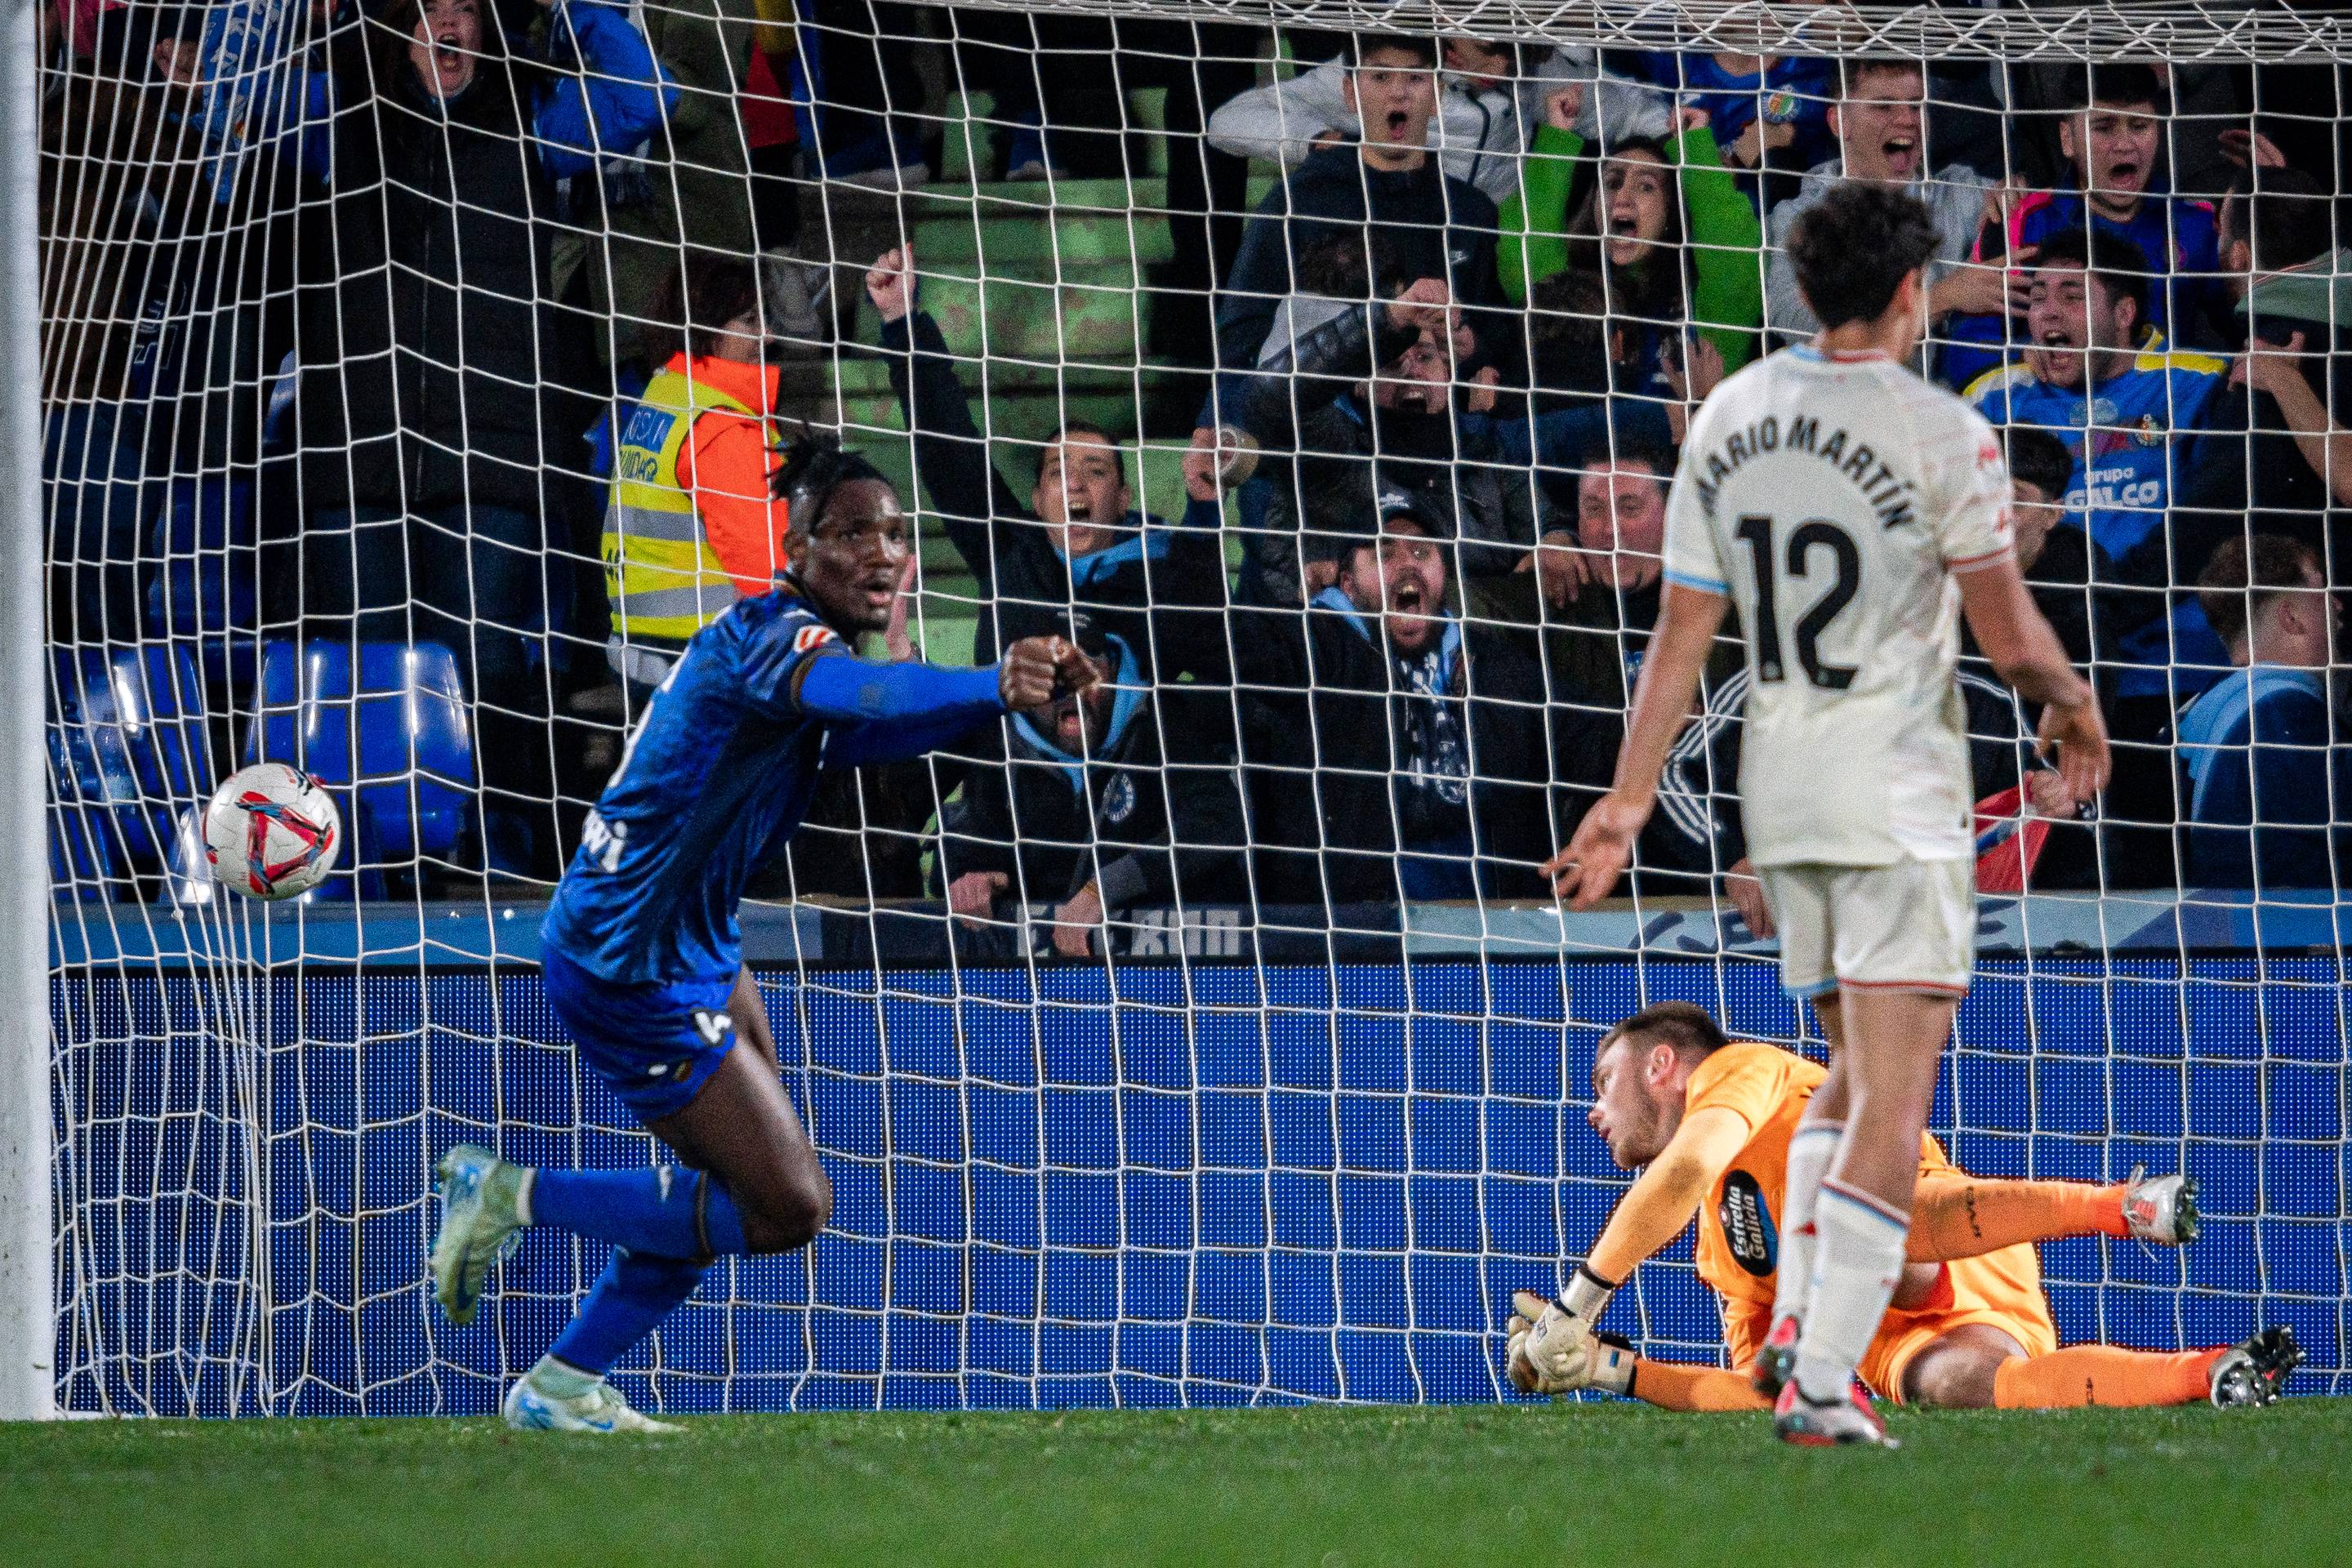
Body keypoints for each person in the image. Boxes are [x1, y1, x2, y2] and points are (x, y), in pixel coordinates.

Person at [1537, 184, 2109, 1447]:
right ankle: (1817, 1371)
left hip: (1778, 784)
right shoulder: (1943, 428)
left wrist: (1626, 809)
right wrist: (2069, 701)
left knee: (1847, 1073)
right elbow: (2008, 631)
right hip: (1895, 782)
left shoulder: (1732, 415)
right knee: (1893, 1099)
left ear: (1801, 284)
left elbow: (1680, 637)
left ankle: (1810, 1336)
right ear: (1914, 291)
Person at [426, 437, 1089, 1432]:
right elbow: (866, 696)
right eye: (854, 531)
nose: (884, 552)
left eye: (897, 534)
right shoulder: (776, 641)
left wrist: (992, 701)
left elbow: (871, 728)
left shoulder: (792, 656)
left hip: (691, 942)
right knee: (789, 1205)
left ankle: (559, 1385)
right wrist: (992, 682)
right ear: (798, 547)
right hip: (628, 960)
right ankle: (513, 1194)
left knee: (734, 1179)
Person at [292, 0, 676, 877]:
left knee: (487, 668)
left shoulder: (533, 126)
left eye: (466, 8)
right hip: (358, 457)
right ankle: (367, 865)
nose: (449, 25)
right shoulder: (341, 124)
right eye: (429, 11)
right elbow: (243, 107)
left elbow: (640, 98)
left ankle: (496, 856)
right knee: (371, 676)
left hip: (490, 458)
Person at [1503, 1004, 2301, 1413]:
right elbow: (1756, 1391)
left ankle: (2121, 1206)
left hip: (1952, 1225)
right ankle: (2212, 1372)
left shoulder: (1740, 1071)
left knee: (1854, 1206)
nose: (1592, 1112)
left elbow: (1682, 1173)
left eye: (1602, 1083)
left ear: (1662, 1067)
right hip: (1904, 1326)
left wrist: (1574, 1305)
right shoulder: (1720, 1244)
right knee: (1960, 1386)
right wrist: (1613, 1369)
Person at [866, 247, 1232, 686]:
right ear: (1037, 501)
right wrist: (904, 322)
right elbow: (949, 450)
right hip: (1017, 754)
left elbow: (1213, 641)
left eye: (1096, 471)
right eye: (1058, 471)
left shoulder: (1164, 572)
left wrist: (1206, 508)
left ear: (1123, 499)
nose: (1076, 483)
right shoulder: (1009, 554)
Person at [1236, 485, 1573, 911]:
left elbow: (1588, 739)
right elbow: (1214, 643)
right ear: (1348, 582)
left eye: (1421, 553)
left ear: (1443, 574)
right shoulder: (1318, 650)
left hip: (1500, 927)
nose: (1406, 569)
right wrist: (1204, 513)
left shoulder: (1494, 664)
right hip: (1365, 934)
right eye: (1384, 555)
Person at [937, 617, 1250, 956]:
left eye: (1088, 668)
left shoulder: (1159, 723)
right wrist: (975, 878)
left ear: (1115, 672)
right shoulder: (1000, 744)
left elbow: (1219, 822)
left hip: (1173, 961)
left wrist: (1104, 889)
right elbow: (967, 843)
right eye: (1053, 674)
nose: (1070, 687)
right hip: (1045, 968)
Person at [1214, 35, 1505, 380]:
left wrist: (1473, 352)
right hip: (1322, 412)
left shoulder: (1470, 211)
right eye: (1380, 77)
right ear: (1350, 94)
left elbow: (1494, 335)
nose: (1398, 93)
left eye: (1415, 78)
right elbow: (1242, 327)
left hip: (1433, 414)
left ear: (1438, 95)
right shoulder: (1300, 200)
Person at [1943, 65, 2222, 390]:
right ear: (2068, 139)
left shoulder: (2195, 224)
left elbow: (2249, 324)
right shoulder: (2020, 220)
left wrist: (2272, 209)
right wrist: (2023, 359)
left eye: (2140, 126)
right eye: (2104, 128)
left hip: (2163, 419)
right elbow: (1964, 349)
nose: (2124, 145)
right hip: (2048, 419)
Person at [603, 256, 797, 699]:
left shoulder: (665, 398)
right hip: (708, 665)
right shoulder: (723, 429)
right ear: (707, 327)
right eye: (749, 321)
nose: (767, 335)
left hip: (642, 658)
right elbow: (769, 576)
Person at [1499, 85, 1762, 390]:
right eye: (1612, 182)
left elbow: (1734, 256)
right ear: (1593, 208)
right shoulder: (1565, 291)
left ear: (1669, 215)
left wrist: (1695, 149)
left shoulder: (1702, 308)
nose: (1622, 196)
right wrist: (1557, 138)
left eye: (1646, 186)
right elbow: (1523, 253)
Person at [1763, 59, 2006, 350]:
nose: (1907, 120)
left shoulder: (1963, 194)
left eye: (1916, 106)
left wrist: (2019, 197)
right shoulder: (1797, 217)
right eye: (1884, 106)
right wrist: (1941, 298)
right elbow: (1793, 319)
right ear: (1840, 122)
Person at [2175, 534, 2350, 889]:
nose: (2337, 605)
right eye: (2322, 590)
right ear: (2292, 617)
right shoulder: (2284, 713)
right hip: (2295, 933)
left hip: (2228, 931)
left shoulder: (2206, 708)